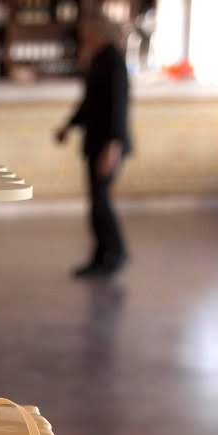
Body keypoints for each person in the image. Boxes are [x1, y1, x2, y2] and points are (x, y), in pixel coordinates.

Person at [55, 22, 131, 277]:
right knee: (97, 200)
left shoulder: (113, 60)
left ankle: (115, 252)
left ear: (99, 33)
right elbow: (89, 104)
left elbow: (118, 105)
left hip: (107, 144)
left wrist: (113, 145)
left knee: (101, 201)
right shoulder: (98, 59)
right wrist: (69, 126)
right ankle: (102, 254)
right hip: (97, 142)